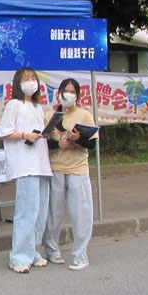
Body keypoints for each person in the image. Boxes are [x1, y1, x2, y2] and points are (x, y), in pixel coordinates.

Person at [0, 67, 53, 274]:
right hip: (25, 164)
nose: (31, 82)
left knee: (40, 211)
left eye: (33, 78)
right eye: (26, 79)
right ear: (18, 84)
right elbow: (5, 132)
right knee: (26, 211)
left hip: (41, 163)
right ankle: (19, 256)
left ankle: (33, 251)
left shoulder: (38, 107)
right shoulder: (14, 104)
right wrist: (25, 135)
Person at [41, 78, 97, 271]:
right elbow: (44, 143)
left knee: (80, 213)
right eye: (66, 91)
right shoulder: (51, 116)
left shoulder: (84, 115)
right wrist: (58, 143)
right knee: (53, 213)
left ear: (78, 95)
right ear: (59, 93)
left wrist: (77, 139)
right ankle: (52, 250)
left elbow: (92, 144)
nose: (68, 95)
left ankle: (80, 255)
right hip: (56, 168)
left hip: (78, 169)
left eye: (73, 92)